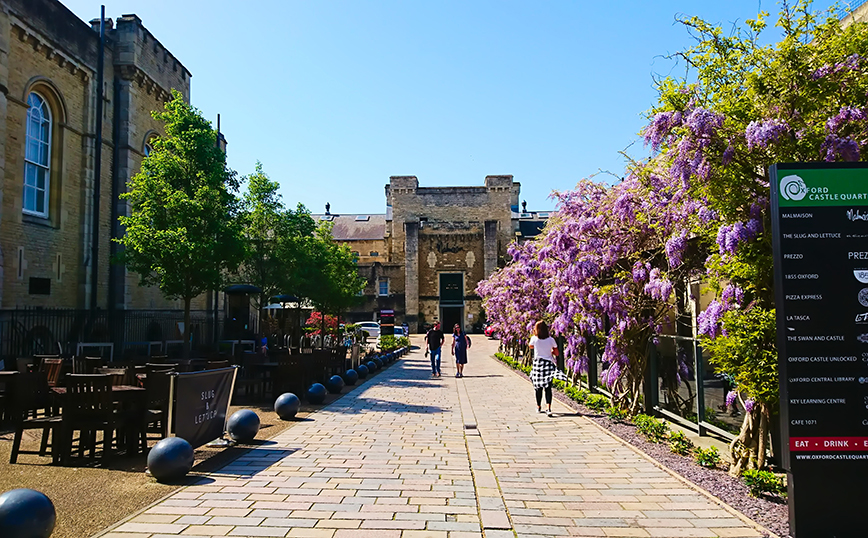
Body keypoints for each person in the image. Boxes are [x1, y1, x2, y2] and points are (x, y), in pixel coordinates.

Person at [529, 320, 560, 416]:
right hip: (548, 364)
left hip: (538, 364)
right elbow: (557, 353)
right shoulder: (551, 340)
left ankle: (538, 407)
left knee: (538, 387)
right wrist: (550, 351)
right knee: (548, 387)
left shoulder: (534, 339)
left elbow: (530, 346)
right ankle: (548, 408)